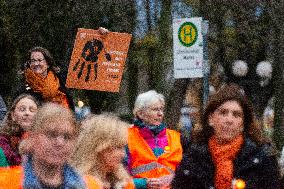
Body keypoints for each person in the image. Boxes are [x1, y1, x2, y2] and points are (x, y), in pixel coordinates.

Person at [171, 83, 281, 189]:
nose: (229, 120)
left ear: (243, 124)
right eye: (223, 113)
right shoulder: (193, 159)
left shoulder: (261, 159)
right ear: (211, 119)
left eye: (236, 115)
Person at [0, 103, 98, 188]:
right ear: (32, 137)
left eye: (67, 137)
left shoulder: (91, 186)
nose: (60, 143)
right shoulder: (5, 182)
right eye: (51, 134)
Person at [126, 90, 183, 189]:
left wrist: (174, 178)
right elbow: (117, 179)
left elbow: (188, 171)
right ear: (140, 114)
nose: (160, 114)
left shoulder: (176, 137)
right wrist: (143, 183)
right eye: (155, 109)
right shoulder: (126, 137)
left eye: (161, 109)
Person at [71, 113, 134, 189]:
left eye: (123, 147)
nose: (123, 154)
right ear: (99, 146)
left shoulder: (122, 181)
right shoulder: (81, 184)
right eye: (118, 147)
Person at [0, 94, 39, 166]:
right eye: (22, 109)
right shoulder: (3, 140)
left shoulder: (46, 140)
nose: (27, 113)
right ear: (13, 115)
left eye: (32, 110)